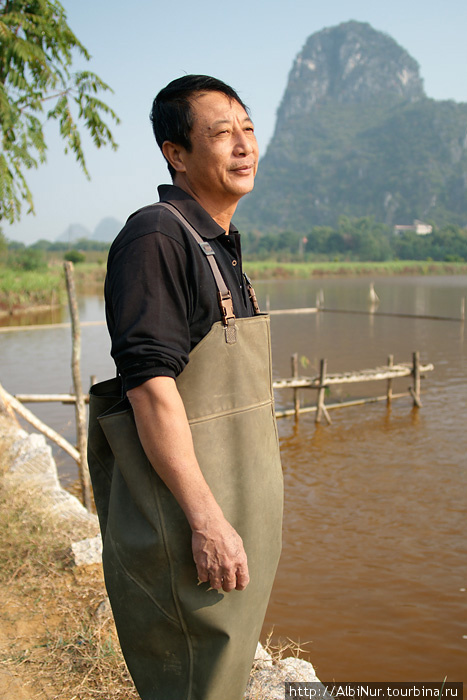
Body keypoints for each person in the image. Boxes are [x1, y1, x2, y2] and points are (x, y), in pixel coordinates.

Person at [88, 75, 283, 700]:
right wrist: (207, 521)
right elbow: (149, 387)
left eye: (248, 129)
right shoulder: (157, 237)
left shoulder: (218, 246)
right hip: (190, 529)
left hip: (235, 522)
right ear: (176, 152)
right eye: (222, 133)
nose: (243, 145)